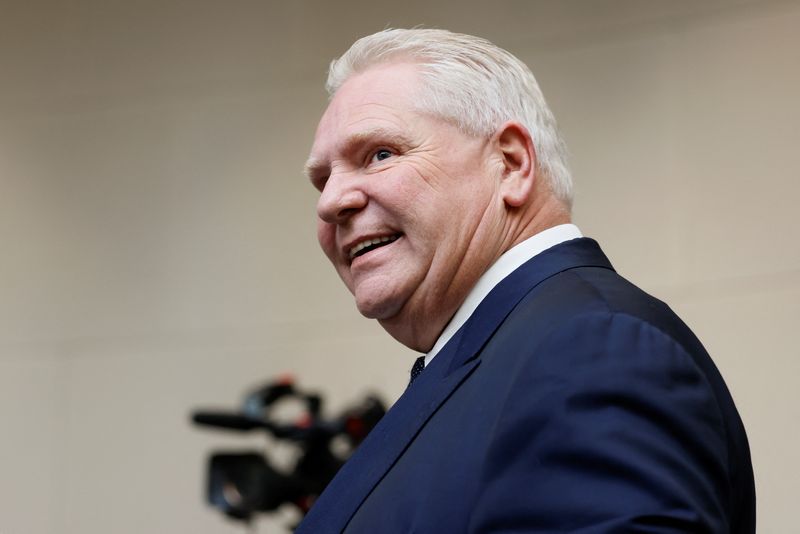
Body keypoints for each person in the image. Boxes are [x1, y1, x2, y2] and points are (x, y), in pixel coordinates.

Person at [298, 28, 755, 533]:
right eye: (323, 178)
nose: (331, 201)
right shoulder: (507, 356)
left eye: (380, 154)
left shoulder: (590, 352)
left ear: (511, 164)